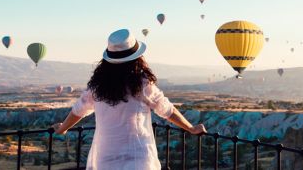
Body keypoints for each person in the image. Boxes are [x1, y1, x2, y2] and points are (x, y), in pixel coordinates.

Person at [52, 29, 206, 169]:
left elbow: (78, 110)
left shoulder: (97, 87)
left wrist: (63, 128)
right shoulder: (142, 84)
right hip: (138, 156)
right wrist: (191, 129)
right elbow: (167, 110)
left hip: (106, 157)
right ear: (137, 57)